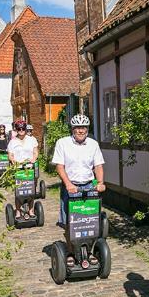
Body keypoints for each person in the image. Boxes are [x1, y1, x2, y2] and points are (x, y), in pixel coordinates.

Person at [52, 114, 105, 266]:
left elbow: (98, 165)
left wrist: (100, 182)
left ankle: (89, 251)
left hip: (88, 185)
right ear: (73, 129)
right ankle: (70, 252)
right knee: (71, 221)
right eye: (77, 128)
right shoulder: (63, 143)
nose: (81, 131)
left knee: (90, 220)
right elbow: (59, 166)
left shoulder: (93, 144)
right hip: (71, 186)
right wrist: (68, 183)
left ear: (87, 129)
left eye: (83, 128)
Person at [7, 120, 39, 218]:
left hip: (29, 167)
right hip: (18, 169)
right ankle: (17, 211)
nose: (21, 130)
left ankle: (31, 210)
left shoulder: (31, 140)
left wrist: (34, 159)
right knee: (19, 191)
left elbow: (36, 152)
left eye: (23, 128)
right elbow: (10, 155)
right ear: (16, 130)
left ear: (25, 129)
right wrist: (14, 161)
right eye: (19, 129)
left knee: (30, 189)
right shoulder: (12, 142)